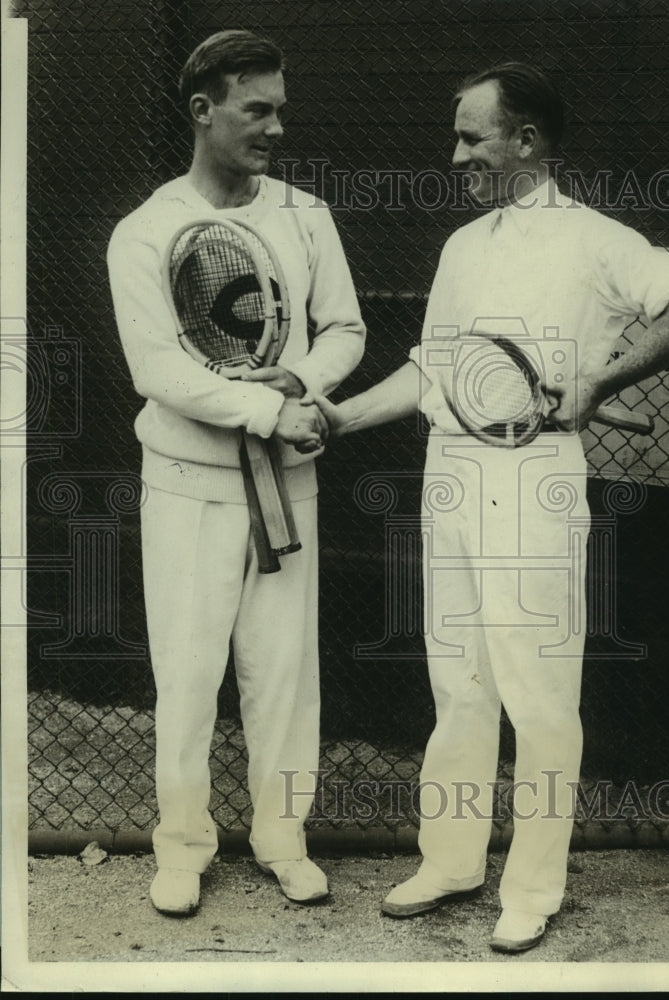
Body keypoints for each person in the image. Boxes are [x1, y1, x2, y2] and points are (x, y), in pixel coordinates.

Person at [315, 63, 669, 953]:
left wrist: (598, 380)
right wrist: (339, 418)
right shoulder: (463, 245)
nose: (455, 155)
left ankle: (533, 888)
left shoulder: (596, 239)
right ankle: (450, 862)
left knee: (537, 699)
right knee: (457, 685)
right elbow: (430, 368)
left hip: (535, 478)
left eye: (471, 137)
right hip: (450, 474)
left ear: (527, 141)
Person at [107, 29, 365, 916]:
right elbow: (156, 369)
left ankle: (281, 839)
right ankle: (181, 847)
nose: (276, 128)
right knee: (187, 675)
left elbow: (345, 330)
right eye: (257, 110)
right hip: (188, 486)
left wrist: (299, 383)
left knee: (284, 675)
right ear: (202, 110)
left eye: (281, 110)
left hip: (289, 480)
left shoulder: (306, 215)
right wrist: (263, 409)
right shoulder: (143, 232)